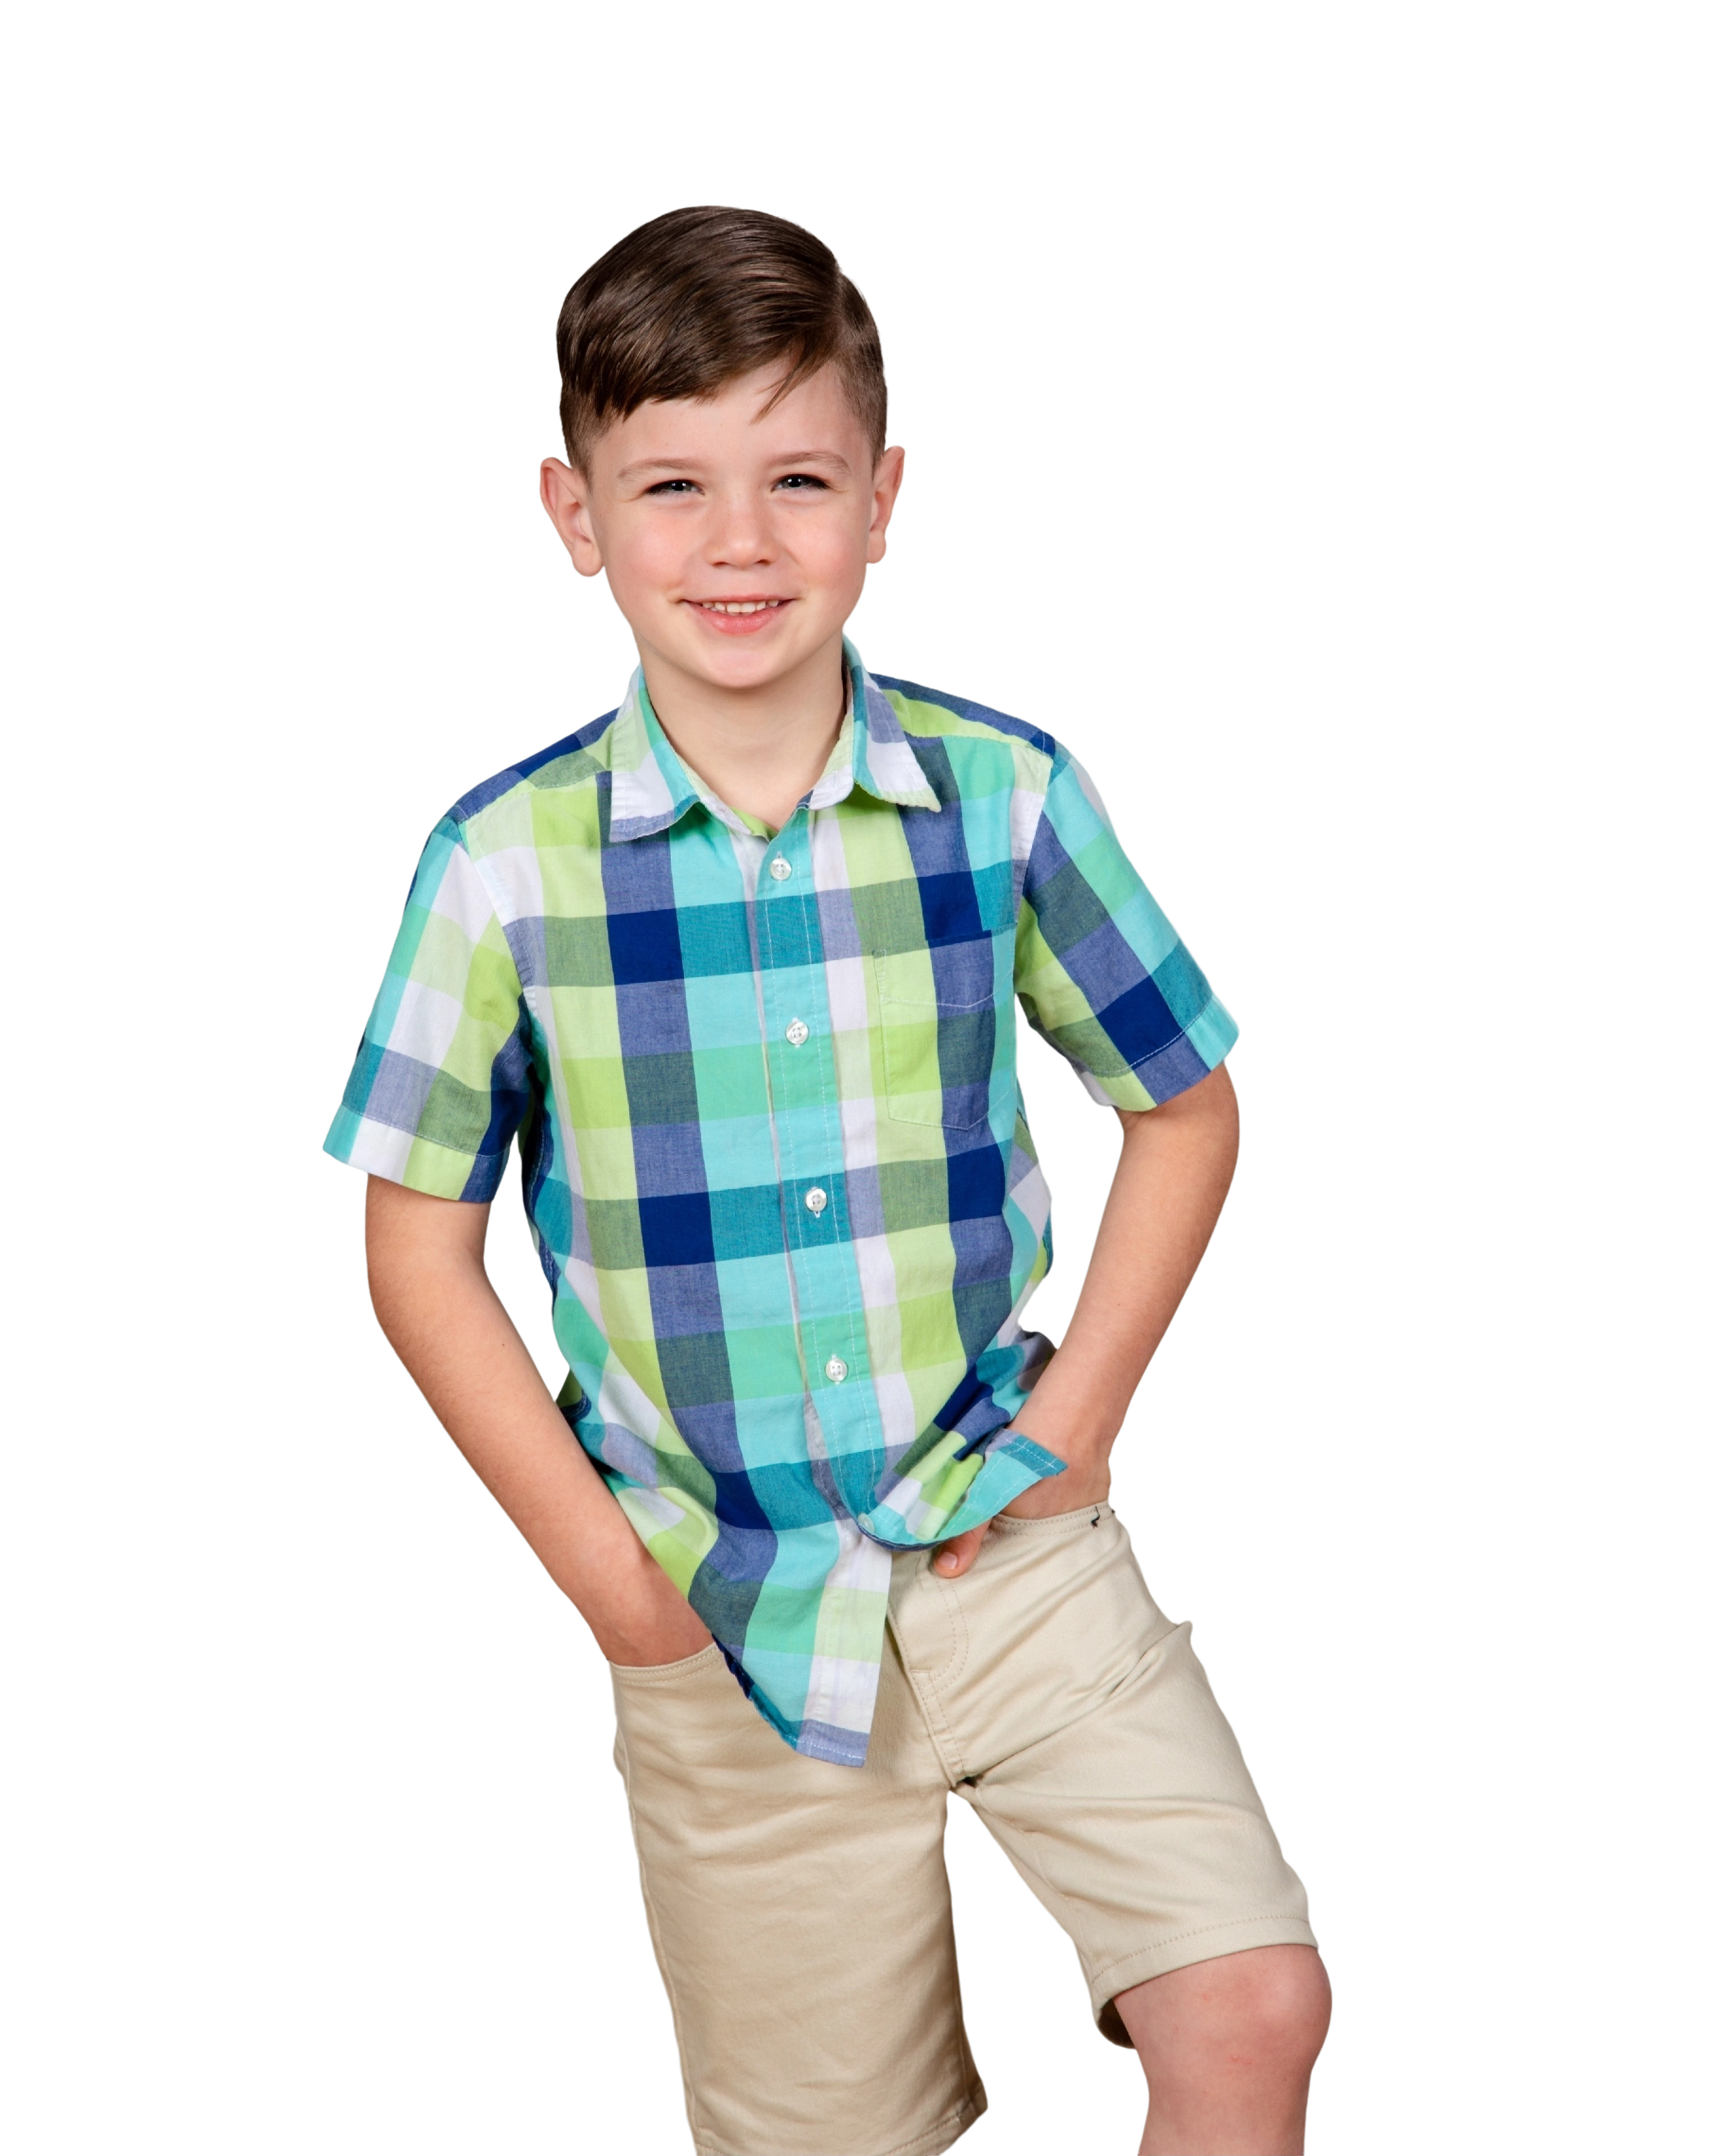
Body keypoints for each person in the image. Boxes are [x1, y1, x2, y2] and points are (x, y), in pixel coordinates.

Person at [321, 202, 1335, 2156]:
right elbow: (415, 1250)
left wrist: (1078, 1425)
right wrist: (611, 1581)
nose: (741, 541)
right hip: (717, 1603)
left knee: (1252, 2000)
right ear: (574, 513)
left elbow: (1186, 1102)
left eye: (796, 478)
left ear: (885, 498)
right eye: (673, 484)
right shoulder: (500, 869)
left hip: (1006, 1546)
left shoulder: (1005, 796)